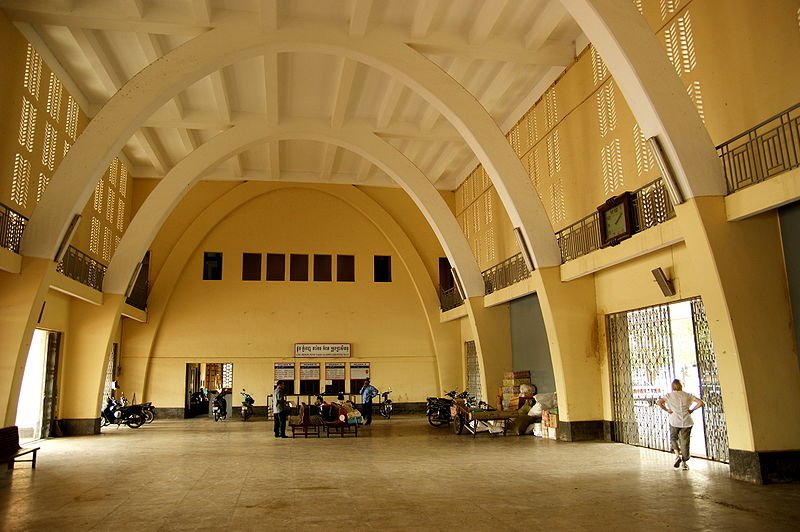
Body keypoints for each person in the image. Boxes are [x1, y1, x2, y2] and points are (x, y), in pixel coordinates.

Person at [656, 379, 705, 470]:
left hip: (674, 421)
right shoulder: (688, 395)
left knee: (674, 438)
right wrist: (692, 410)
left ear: (672, 386)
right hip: (686, 421)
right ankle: (684, 462)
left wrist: (667, 410)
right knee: (685, 442)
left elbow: (659, 402)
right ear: (681, 386)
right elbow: (701, 403)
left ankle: (677, 455)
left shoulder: (669, 396)